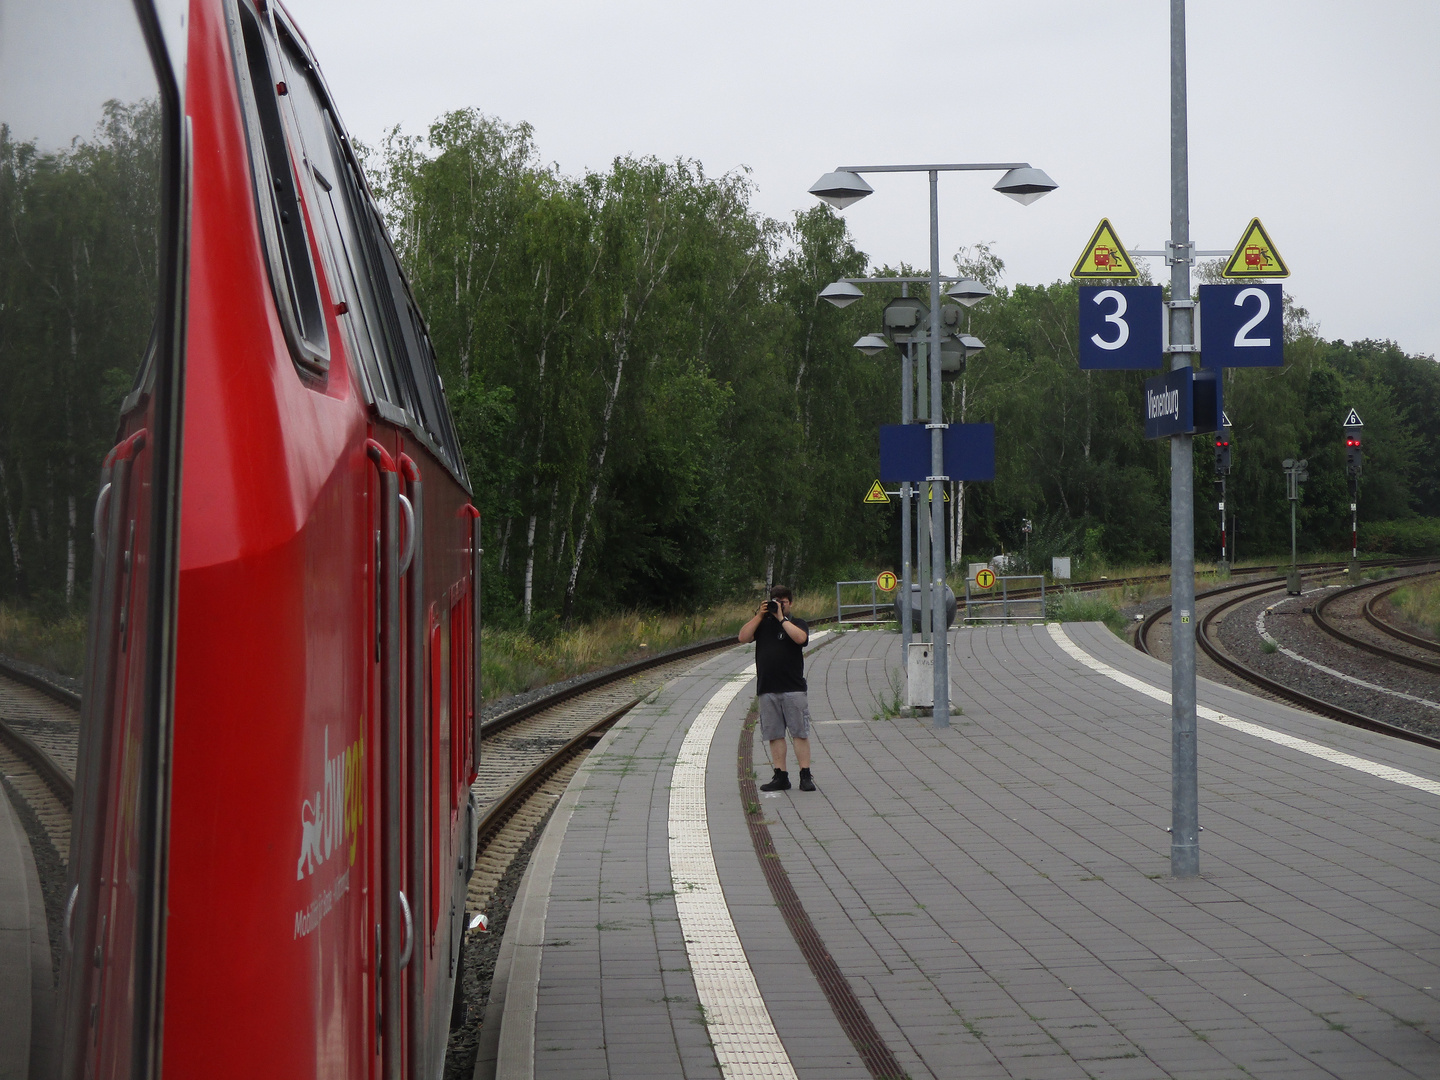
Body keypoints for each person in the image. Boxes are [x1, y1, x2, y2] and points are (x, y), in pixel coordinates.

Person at [737, 585, 814, 792]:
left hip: (793, 688)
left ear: (791, 602)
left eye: (783, 601)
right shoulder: (762, 624)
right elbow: (742, 637)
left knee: (799, 732)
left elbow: (801, 639)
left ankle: (805, 775)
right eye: (775, 601)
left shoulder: (797, 623)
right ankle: (781, 775)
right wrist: (760, 616)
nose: (779, 604)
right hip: (768, 688)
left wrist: (781, 618)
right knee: (774, 734)